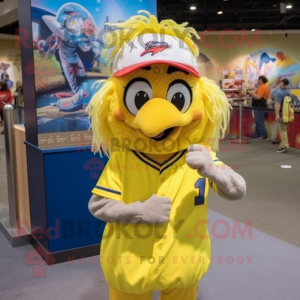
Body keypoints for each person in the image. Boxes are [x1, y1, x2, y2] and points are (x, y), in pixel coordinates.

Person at [248, 75, 270, 140]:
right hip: (260, 107)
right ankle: (257, 135)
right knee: (258, 121)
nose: (257, 81)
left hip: (259, 107)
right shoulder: (265, 87)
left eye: (258, 80)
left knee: (259, 122)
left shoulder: (262, 87)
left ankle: (263, 135)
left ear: (261, 80)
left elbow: (258, 97)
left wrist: (252, 94)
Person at [275, 78, 293, 153]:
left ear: (283, 84)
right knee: (284, 129)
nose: (280, 83)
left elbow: (277, 104)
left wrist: (277, 114)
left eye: (281, 82)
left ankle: (284, 146)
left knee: (282, 130)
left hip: (282, 113)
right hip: (287, 114)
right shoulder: (288, 92)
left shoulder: (279, 92)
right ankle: (282, 146)